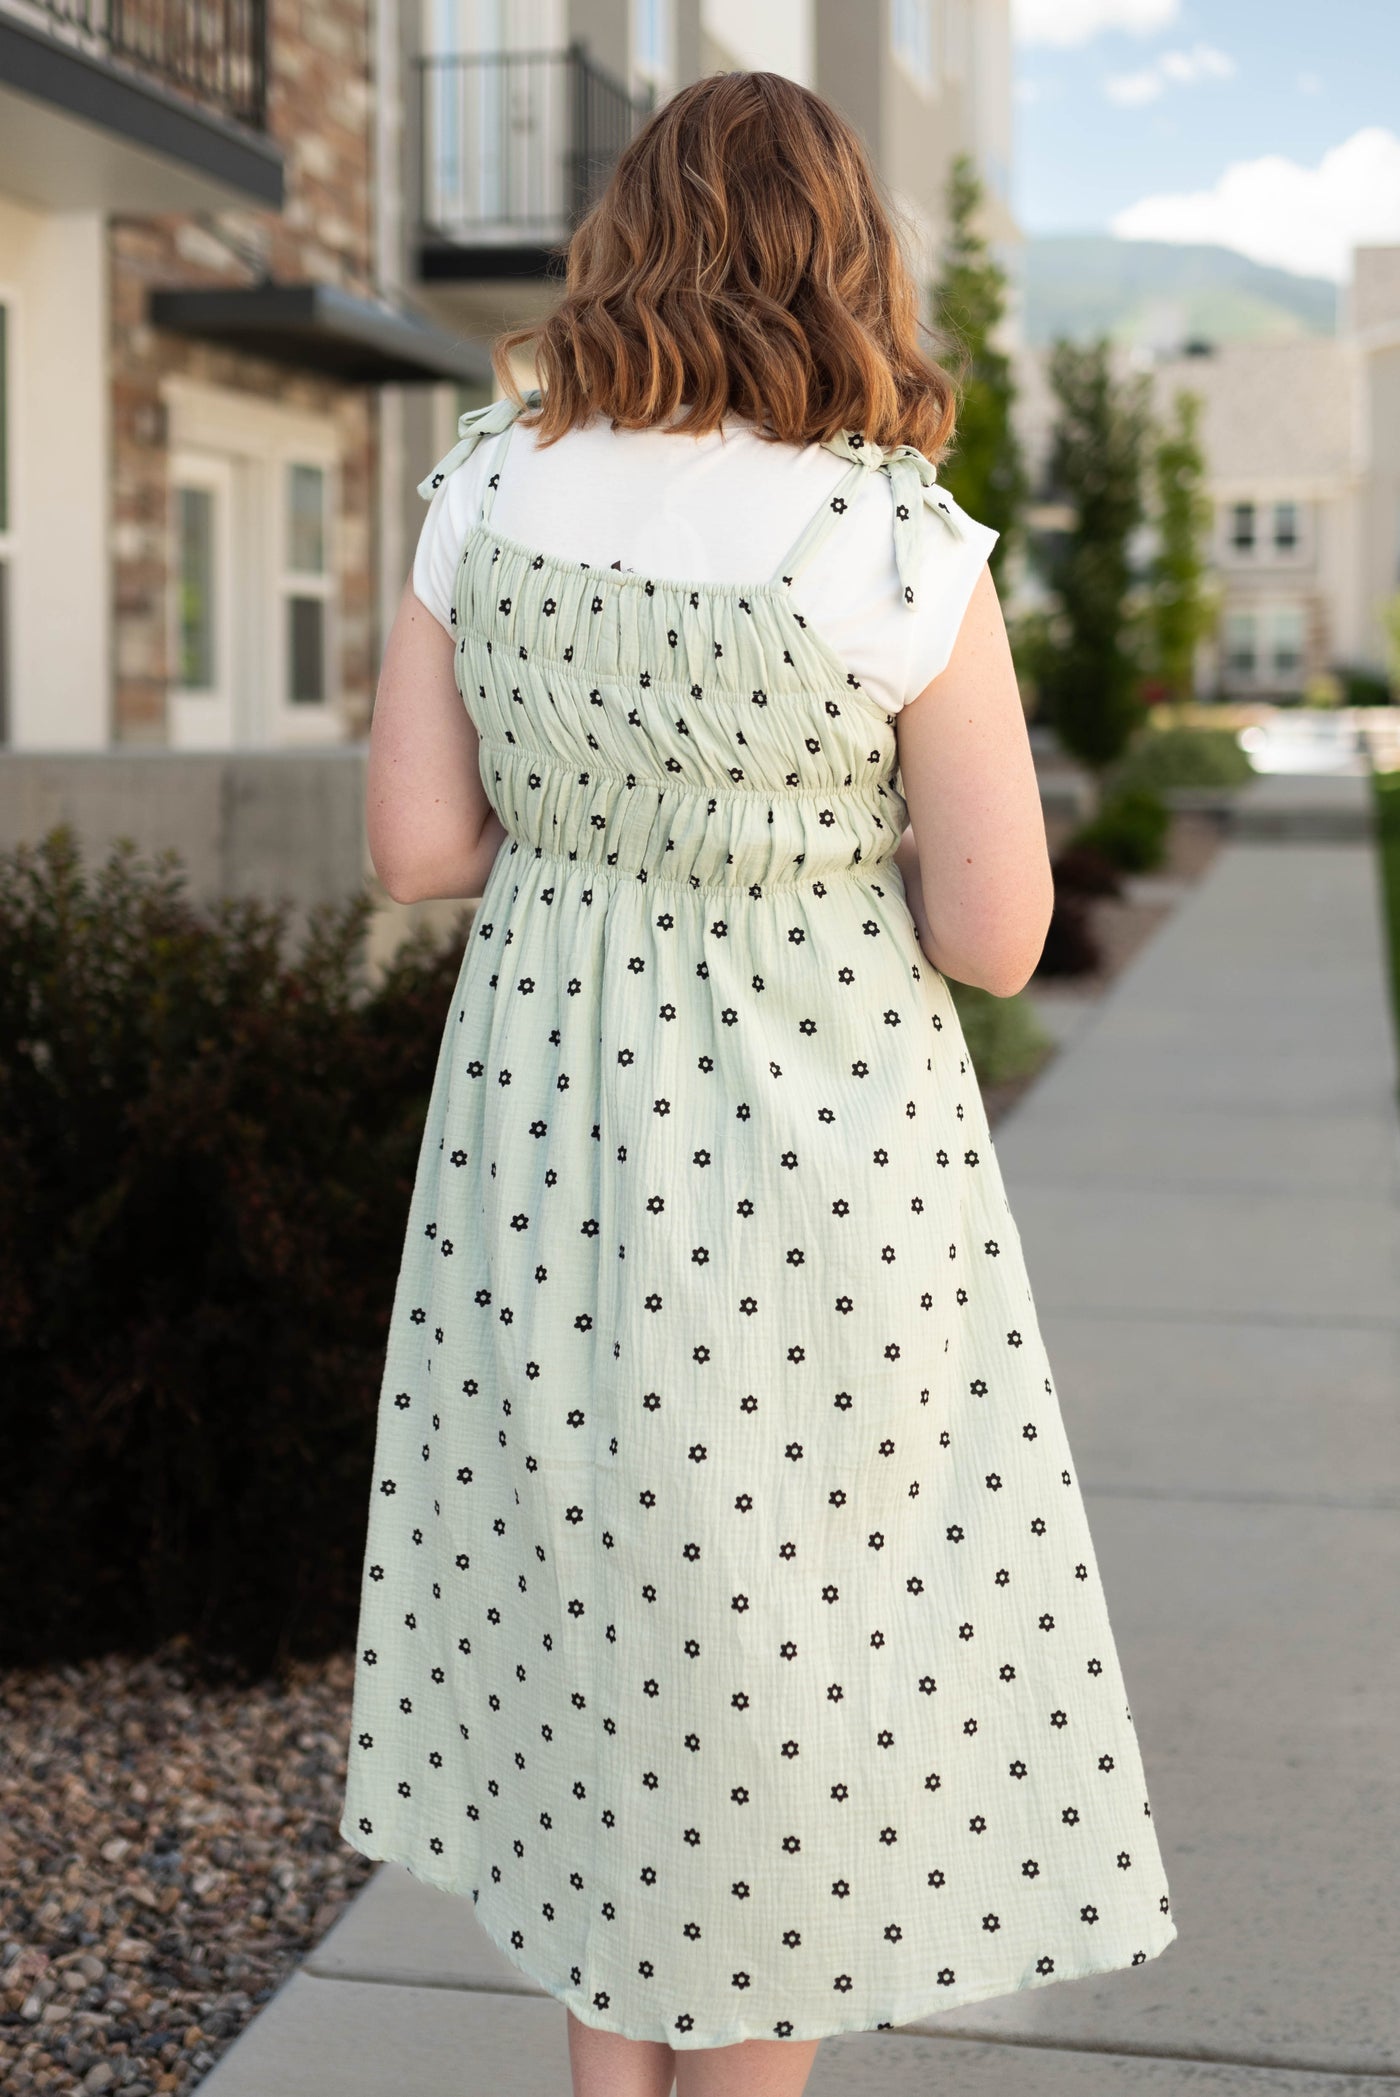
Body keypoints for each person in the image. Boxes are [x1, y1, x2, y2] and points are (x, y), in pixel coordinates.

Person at [339, 68, 1176, 2097]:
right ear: (844, 253)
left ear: (623, 239)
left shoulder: (481, 484)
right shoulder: (886, 535)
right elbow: (992, 928)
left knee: (604, 1629)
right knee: (773, 1663)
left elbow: (419, 852)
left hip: (542, 1114)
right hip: (810, 1135)